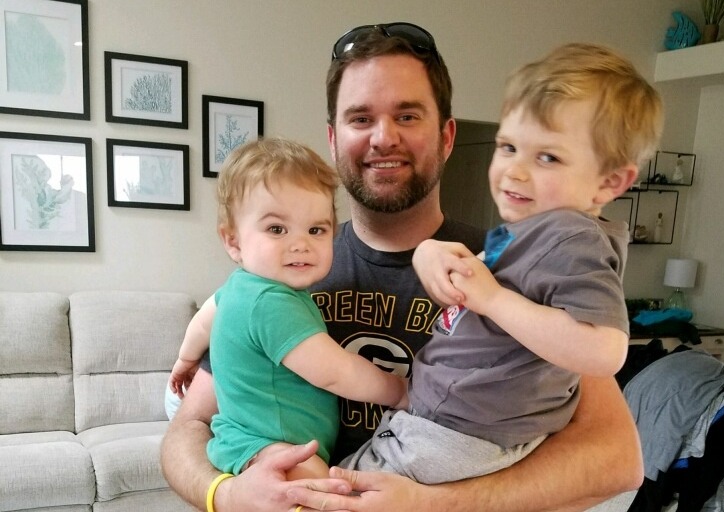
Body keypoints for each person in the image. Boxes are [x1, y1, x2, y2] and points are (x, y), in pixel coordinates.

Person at [161, 22, 644, 512]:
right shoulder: (281, 270)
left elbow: (616, 459)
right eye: (360, 118)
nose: (383, 137)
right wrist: (226, 494)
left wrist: (435, 504)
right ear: (334, 139)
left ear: (447, 136)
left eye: (407, 116)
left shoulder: (510, 265)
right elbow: (190, 427)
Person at [342, 42, 663, 484]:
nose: (515, 171)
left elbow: (605, 351)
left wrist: (492, 299)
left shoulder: (573, 236)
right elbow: (481, 292)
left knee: (337, 493)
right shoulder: (530, 235)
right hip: (435, 420)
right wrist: (430, 254)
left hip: (456, 435)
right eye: (508, 147)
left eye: (548, 157)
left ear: (610, 182)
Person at [168, 137, 407, 479]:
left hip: (246, 440)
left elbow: (202, 322)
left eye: (316, 229)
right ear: (233, 241)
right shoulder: (271, 303)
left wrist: (185, 359)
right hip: (272, 447)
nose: (300, 244)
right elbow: (336, 372)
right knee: (314, 487)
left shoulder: (238, 288)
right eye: (277, 229)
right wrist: (399, 391)